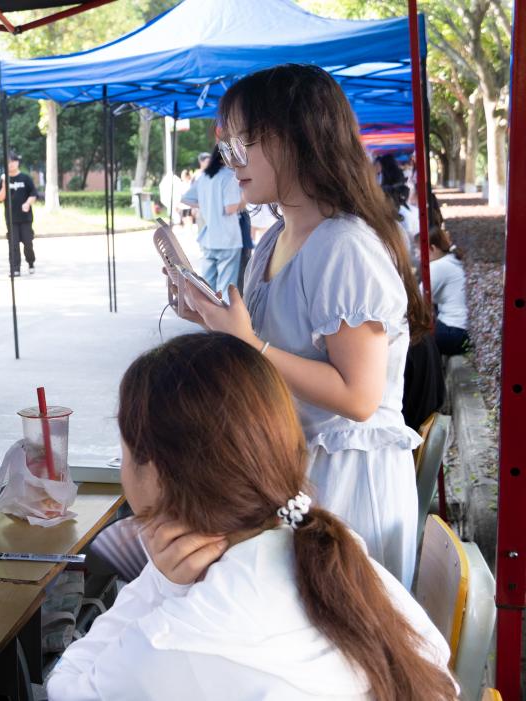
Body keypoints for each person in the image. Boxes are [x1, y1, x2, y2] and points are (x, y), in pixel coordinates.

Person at [46, 334, 455, 700]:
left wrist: (159, 586)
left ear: (154, 471)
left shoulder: (173, 641)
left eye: (123, 450)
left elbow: (65, 687)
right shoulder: (338, 554)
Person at [181, 64, 430, 589]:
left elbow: (359, 396)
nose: (232, 161)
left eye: (243, 143)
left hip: (350, 489)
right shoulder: (276, 238)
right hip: (303, 481)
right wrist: (215, 322)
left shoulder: (344, 246)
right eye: (227, 146)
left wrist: (248, 343)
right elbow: (268, 351)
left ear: (296, 139)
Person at [181, 148, 244, 297]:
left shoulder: (204, 176)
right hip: (228, 238)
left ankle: (206, 312)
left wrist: (206, 204)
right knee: (226, 288)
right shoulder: (229, 176)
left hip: (208, 238)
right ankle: (224, 312)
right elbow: (230, 208)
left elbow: (185, 199)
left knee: (208, 287)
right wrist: (245, 200)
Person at [428, 227, 470, 355]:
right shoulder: (453, 260)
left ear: (433, 248)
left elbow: (417, 298)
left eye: (419, 250)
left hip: (452, 332)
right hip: (464, 332)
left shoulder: (438, 266)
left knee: (414, 338)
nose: (418, 255)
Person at [0, 153, 38, 276]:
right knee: (13, 244)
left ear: (17, 162)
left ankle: (31, 262)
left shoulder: (25, 178)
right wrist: (4, 184)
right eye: (8, 162)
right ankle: (15, 268)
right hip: (11, 218)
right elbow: (0, 198)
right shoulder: (4, 180)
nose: (11, 164)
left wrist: (27, 203)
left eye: (13, 161)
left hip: (25, 218)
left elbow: (34, 194)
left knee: (27, 243)